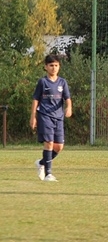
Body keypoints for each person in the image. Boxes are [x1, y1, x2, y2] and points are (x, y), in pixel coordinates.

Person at [32, 54, 72, 182]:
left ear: (59, 66)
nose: (53, 68)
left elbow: (67, 98)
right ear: (46, 67)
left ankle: (41, 163)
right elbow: (35, 99)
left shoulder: (62, 82)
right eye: (51, 65)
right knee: (49, 142)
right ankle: (48, 174)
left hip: (58, 117)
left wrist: (69, 107)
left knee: (59, 146)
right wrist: (33, 116)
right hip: (45, 115)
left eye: (56, 65)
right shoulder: (42, 82)